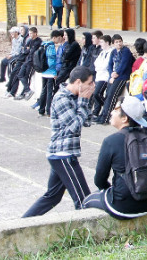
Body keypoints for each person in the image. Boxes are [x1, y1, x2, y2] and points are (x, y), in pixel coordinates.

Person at [22, 66, 96, 218]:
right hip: (63, 155)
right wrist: (83, 100)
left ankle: (23, 223)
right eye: (89, 83)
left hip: (64, 154)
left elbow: (87, 121)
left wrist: (87, 100)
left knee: (53, 196)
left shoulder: (75, 97)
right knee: (83, 199)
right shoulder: (62, 98)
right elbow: (74, 127)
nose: (92, 86)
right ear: (78, 82)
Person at [82, 96, 147, 219]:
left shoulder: (111, 141)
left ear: (124, 118)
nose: (111, 112)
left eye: (115, 110)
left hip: (123, 206)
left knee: (86, 201)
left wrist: (110, 190)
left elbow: (99, 180)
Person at [97, 35, 135, 123]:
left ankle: (107, 118)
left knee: (112, 96)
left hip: (122, 76)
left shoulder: (125, 51)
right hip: (114, 76)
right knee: (108, 96)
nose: (119, 44)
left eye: (120, 41)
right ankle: (103, 115)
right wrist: (111, 74)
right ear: (113, 44)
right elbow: (110, 64)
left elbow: (124, 65)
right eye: (116, 42)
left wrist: (116, 74)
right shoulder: (114, 51)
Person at [36, 30, 63, 116]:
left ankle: (41, 109)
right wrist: (55, 72)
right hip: (50, 72)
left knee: (43, 90)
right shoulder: (51, 46)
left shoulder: (44, 44)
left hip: (43, 71)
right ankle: (48, 110)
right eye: (58, 38)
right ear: (54, 37)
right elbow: (51, 61)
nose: (59, 40)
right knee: (49, 92)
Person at [10, 27, 42, 100]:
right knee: (20, 75)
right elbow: (24, 49)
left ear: (35, 33)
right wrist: (27, 49)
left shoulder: (38, 41)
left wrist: (28, 49)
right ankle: (28, 90)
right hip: (27, 60)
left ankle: (23, 93)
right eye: (29, 33)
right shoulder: (30, 40)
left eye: (31, 33)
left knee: (27, 77)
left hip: (32, 62)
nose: (30, 35)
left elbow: (32, 51)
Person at [89, 34, 113, 122]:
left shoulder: (111, 52)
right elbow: (96, 63)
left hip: (105, 77)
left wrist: (100, 67)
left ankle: (108, 107)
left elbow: (106, 65)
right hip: (99, 75)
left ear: (107, 42)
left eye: (102, 42)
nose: (100, 43)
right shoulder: (102, 52)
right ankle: (97, 112)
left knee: (97, 93)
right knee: (96, 95)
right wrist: (99, 67)